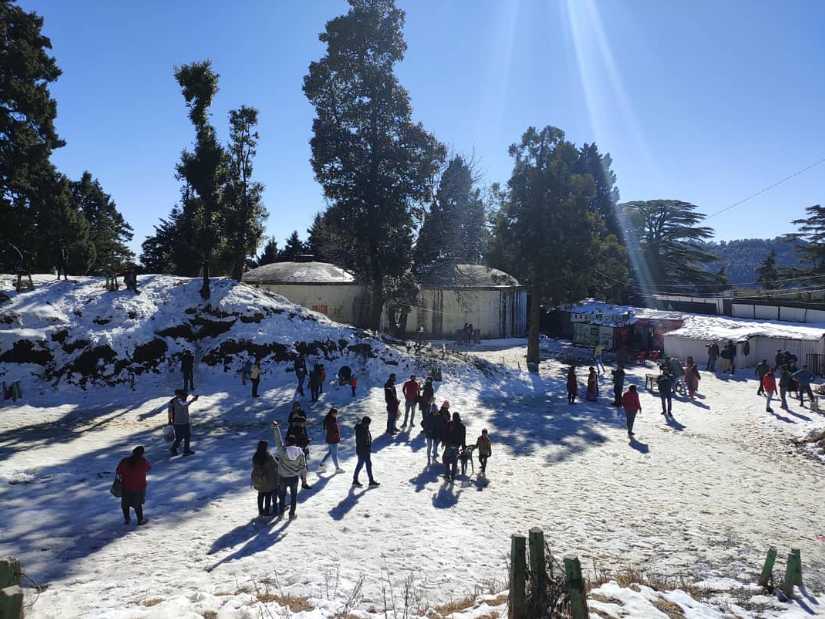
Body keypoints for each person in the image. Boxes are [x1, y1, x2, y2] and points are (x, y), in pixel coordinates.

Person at [271, 422, 306, 520]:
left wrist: (276, 427)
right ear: (295, 442)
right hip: (294, 478)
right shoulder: (300, 452)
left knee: (282, 496)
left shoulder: (282, 451)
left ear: (287, 443)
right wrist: (304, 479)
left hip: (282, 477)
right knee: (294, 497)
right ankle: (291, 514)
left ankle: (281, 513)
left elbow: (278, 440)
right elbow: (303, 467)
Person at [116, 446, 151, 525]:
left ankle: (127, 519)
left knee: (125, 504)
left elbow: (118, 470)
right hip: (139, 486)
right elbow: (148, 468)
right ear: (142, 454)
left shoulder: (124, 461)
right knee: (137, 504)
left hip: (126, 486)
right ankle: (140, 520)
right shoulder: (143, 462)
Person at [288, 403, 312, 489]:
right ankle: (295, 484)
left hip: (301, 450)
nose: (304, 424)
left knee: (303, 467)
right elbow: (291, 440)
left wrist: (306, 443)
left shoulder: (302, 428)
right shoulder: (293, 430)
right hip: (297, 451)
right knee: (298, 467)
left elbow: (304, 437)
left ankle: (303, 482)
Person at [251, 440, 278, 516]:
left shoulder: (255, 456)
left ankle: (260, 511)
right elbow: (276, 465)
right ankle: (266, 511)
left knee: (260, 494)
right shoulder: (268, 456)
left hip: (258, 479)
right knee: (268, 495)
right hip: (268, 480)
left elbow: (253, 466)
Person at [169, 389, 198, 456]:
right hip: (178, 422)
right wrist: (170, 420)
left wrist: (192, 400)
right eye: (184, 395)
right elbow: (183, 405)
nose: (185, 397)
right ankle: (173, 448)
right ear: (178, 395)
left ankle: (186, 450)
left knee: (187, 436)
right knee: (179, 437)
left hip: (185, 421)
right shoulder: (174, 401)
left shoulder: (181, 400)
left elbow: (185, 405)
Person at [352, 416, 379, 487]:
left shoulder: (365, 428)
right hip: (362, 451)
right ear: (365, 423)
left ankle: (371, 481)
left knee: (368, 464)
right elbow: (360, 442)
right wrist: (366, 448)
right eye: (368, 424)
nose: (369, 425)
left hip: (366, 450)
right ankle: (355, 480)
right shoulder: (360, 430)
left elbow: (367, 438)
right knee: (360, 465)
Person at [319, 408, 344, 473]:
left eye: (336, 413)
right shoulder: (330, 420)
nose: (336, 415)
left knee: (330, 452)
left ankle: (322, 464)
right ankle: (337, 468)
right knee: (334, 454)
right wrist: (337, 437)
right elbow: (333, 431)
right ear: (332, 413)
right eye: (335, 413)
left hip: (332, 439)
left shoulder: (331, 419)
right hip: (332, 440)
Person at [443, 412, 466, 481]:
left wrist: (444, 442)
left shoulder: (449, 424)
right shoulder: (462, 426)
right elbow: (463, 437)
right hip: (456, 446)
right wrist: (463, 446)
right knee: (454, 461)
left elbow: (445, 433)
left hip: (449, 445)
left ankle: (447, 475)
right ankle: (453, 476)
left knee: (446, 459)